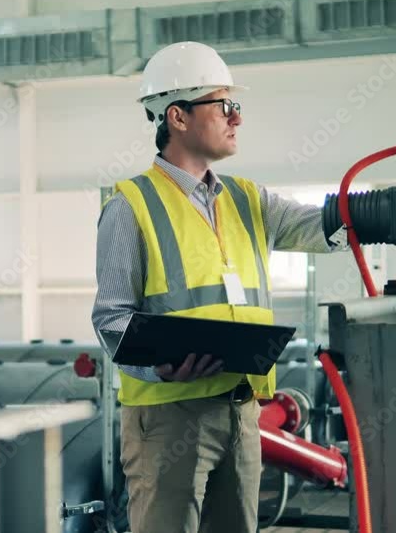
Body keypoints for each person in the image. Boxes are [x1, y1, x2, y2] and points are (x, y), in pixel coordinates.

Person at [91, 41, 347, 533]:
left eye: (237, 106)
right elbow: (111, 320)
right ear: (178, 117)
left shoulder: (249, 199)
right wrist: (159, 366)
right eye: (224, 105)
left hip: (241, 411)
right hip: (169, 419)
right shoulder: (131, 204)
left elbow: (325, 226)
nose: (237, 118)